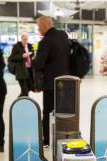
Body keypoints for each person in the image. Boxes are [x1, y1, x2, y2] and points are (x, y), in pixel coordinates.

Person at [34, 16, 70, 147]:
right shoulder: (63, 36)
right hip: (67, 82)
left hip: (51, 84)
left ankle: (48, 140)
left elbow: (39, 64)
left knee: (49, 112)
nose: (38, 29)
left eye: (38, 27)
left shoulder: (45, 41)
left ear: (44, 26)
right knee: (64, 111)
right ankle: (64, 136)